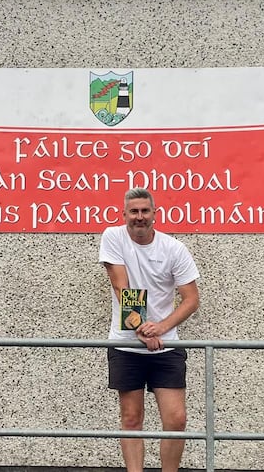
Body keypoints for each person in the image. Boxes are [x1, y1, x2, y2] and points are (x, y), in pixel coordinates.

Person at [98, 187, 200, 472]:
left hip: (166, 347)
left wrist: (161, 329)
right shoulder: (113, 237)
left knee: (176, 419)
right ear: (125, 214)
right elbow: (120, 284)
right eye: (134, 211)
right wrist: (141, 330)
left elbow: (191, 299)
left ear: (155, 214)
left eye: (145, 211)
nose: (139, 217)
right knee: (131, 418)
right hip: (125, 345)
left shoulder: (173, 248)